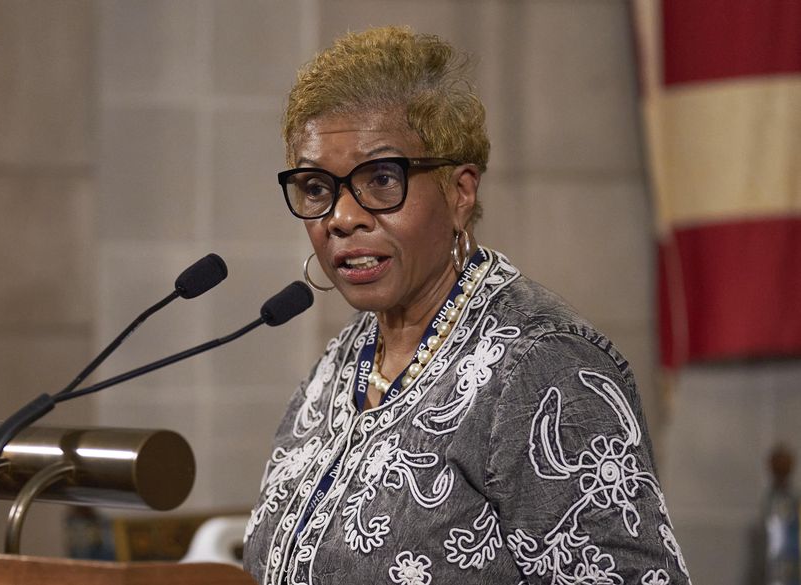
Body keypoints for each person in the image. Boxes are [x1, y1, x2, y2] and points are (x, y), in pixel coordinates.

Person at [243, 26, 690, 585]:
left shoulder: (542, 368)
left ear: (460, 193)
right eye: (315, 188)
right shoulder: (341, 363)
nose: (341, 216)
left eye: (381, 179)